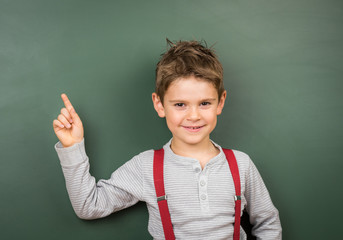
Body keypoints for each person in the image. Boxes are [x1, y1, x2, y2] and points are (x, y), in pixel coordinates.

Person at [53, 39, 282, 239]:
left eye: (205, 103)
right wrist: (72, 147)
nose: (193, 116)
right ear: (159, 105)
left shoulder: (241, 165)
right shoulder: (147, 167)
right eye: (180, 104)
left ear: (220, 102)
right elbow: (88, 205)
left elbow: (268, 223)